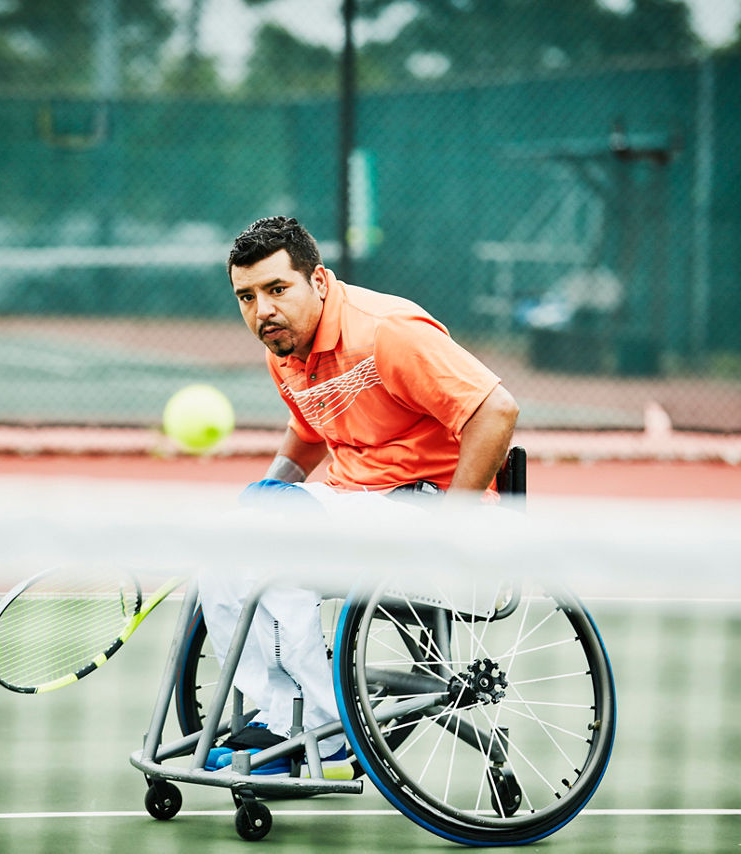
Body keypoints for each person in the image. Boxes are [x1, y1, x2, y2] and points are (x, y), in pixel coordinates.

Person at [200, 216, 519, 775]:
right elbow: (309, 426)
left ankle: (326, 731)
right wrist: (264, 496)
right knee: (225, 548)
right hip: (357, 510)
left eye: (277, 289)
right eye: (246, 297)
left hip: (427, 508)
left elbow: (497, 410)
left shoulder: (387, 332)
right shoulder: (285, 348)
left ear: (318, 281)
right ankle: (280, 716)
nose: (263, 310)